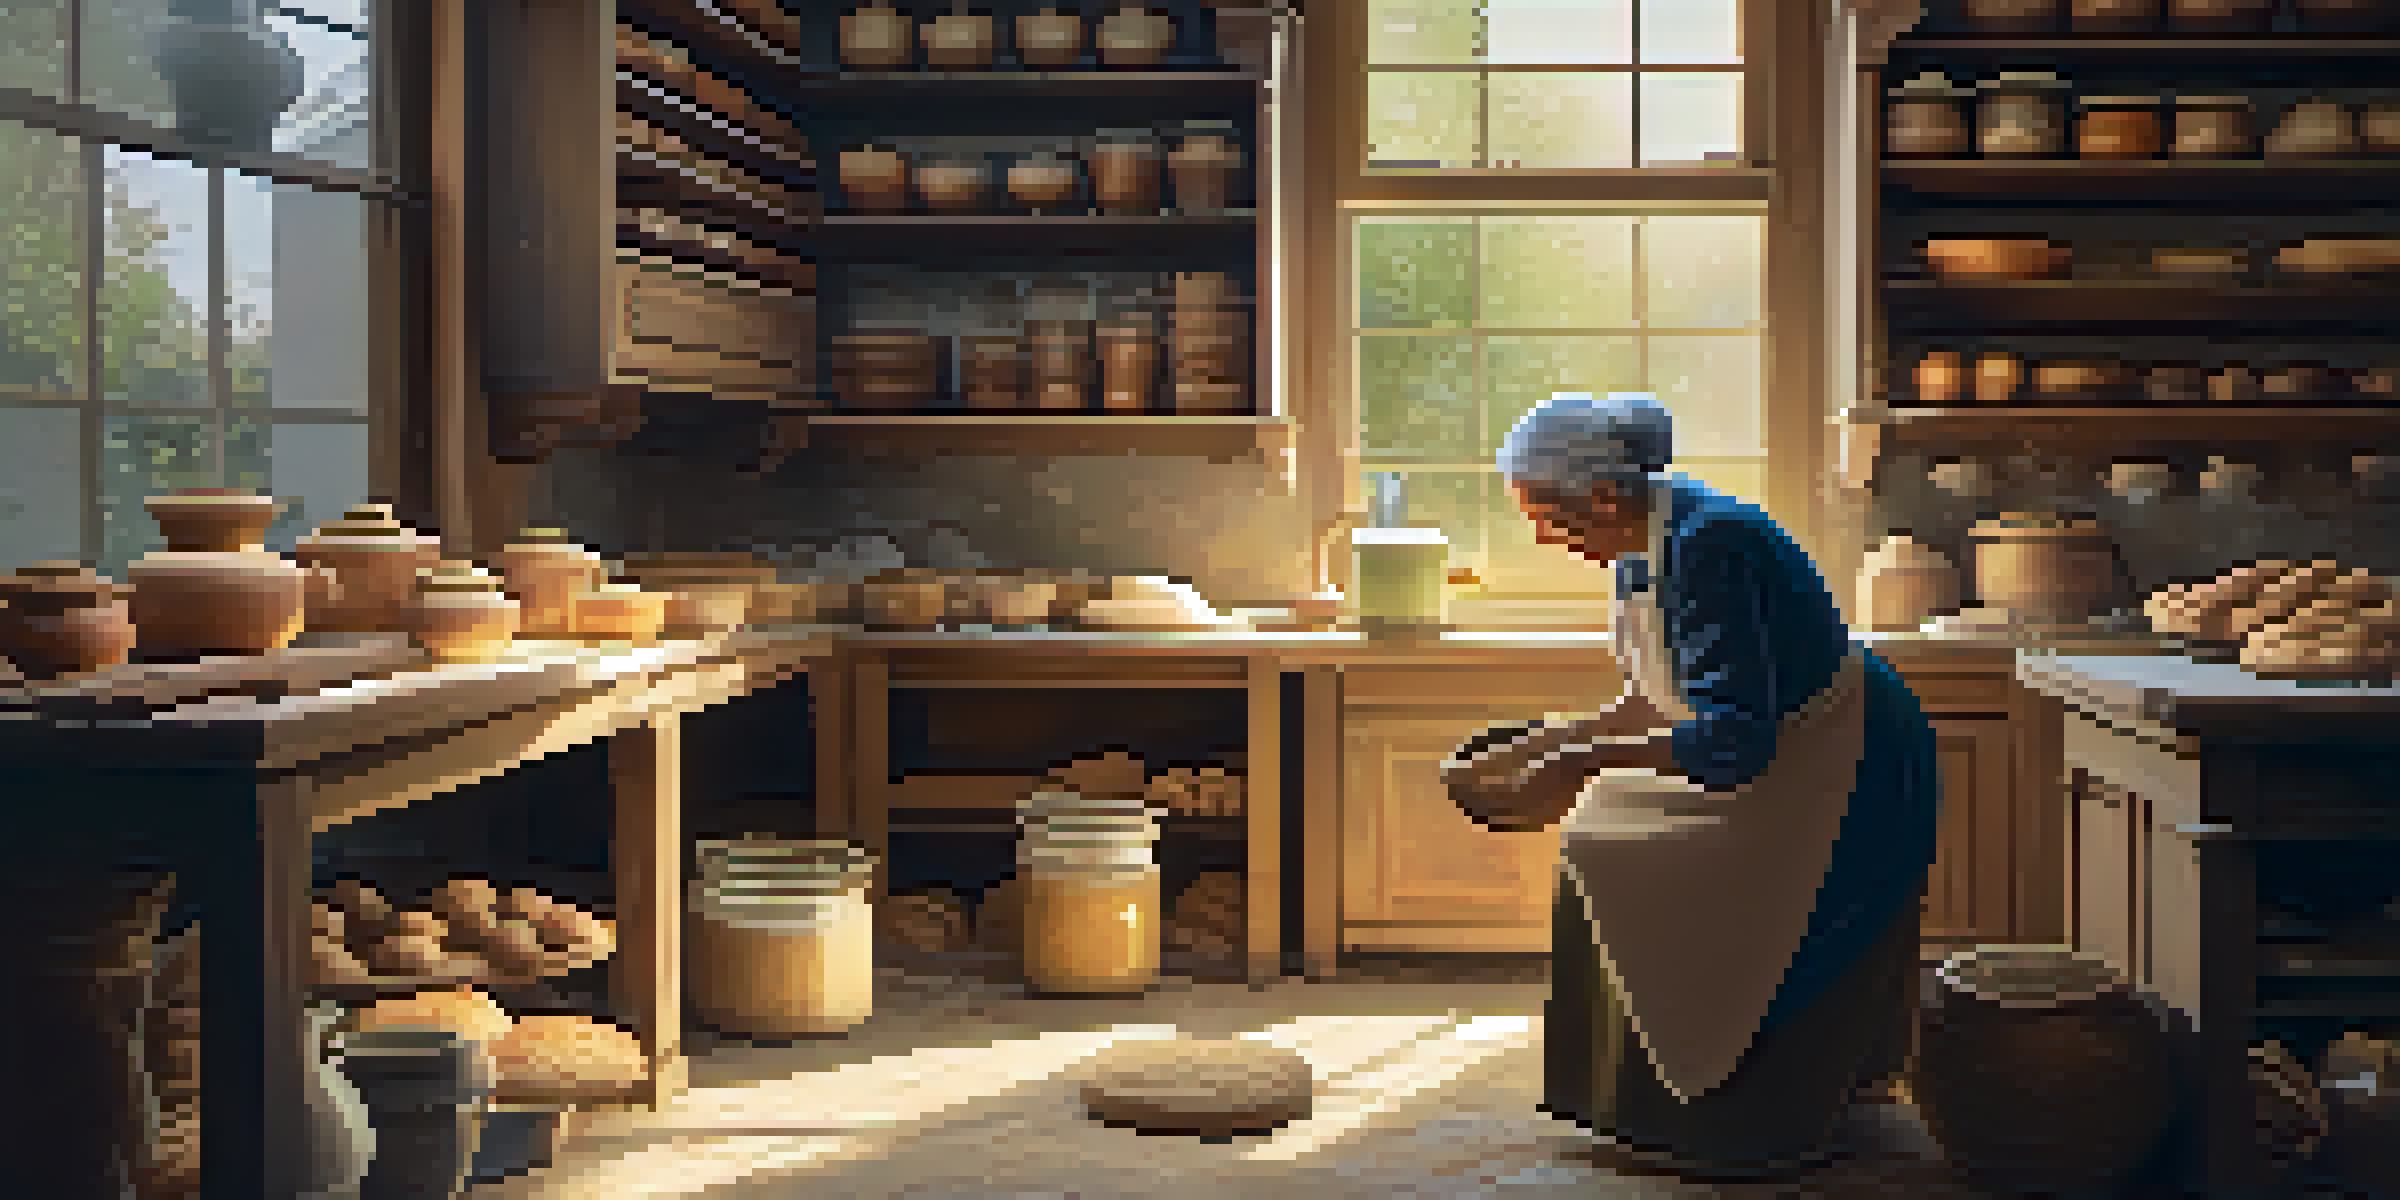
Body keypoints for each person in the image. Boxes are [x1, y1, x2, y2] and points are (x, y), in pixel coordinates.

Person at [1441, 391, 1942, 1176]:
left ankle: (1733, 1111)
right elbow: (1658, 698)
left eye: (1546, 516)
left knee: (1615, 853)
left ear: (1604, 498)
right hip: (1785, 743)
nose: (1539, 536)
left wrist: (1580, 763)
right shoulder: (1643, 544)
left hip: (1843, 758)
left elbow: (1737, 741)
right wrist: (1560, 738)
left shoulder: (1713, 546)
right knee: (1597, 826)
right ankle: (1632, 1097)